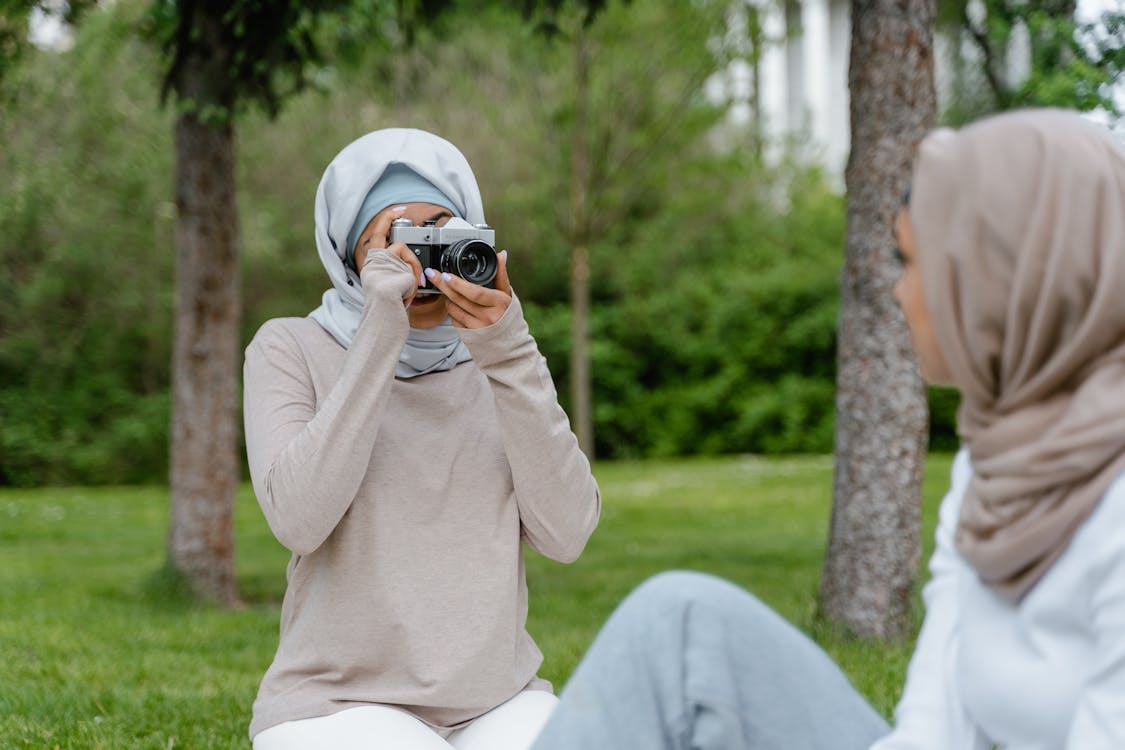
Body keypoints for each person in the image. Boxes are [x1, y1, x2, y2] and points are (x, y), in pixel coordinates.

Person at [527, 108, 1125, 750]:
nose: (899, 292)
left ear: (1005, 278)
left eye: (915, 262)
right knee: (677, 619)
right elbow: (932, 725)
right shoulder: (996, 459)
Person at [242, 127, 601, 749]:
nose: (422, 259)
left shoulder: (498, 359)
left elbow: (567, 534)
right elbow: (299, 520)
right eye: (395, 239)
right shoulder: (289, 347)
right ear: (349, 255)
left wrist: (508, 349)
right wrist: (382, 329)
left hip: (498, 700)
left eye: (441, 229)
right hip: (335, 704)